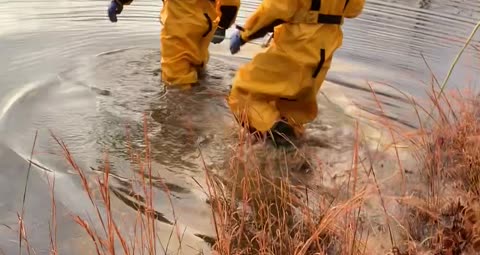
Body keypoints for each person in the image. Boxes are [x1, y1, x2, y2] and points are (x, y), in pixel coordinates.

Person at [227, 0, 365, 146]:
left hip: (295, 48)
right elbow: (353, 10)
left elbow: (275, 8)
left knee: (241, 94)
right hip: (322, 55)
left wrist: (244, 33)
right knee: (292, 113)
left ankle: (282, 139)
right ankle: (294, 156)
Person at [107, 0, 240, 90]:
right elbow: (230, 2)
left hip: (179, 25)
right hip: (207, 23)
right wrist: (223, 24)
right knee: (196, 61)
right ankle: (200, 88)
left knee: (175, 76)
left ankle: (181, 117)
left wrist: (118, 1)